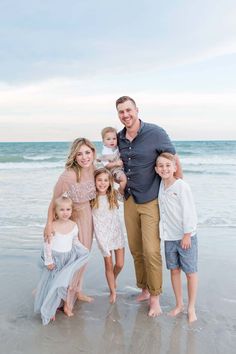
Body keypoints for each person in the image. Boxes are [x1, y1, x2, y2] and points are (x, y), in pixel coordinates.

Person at [116, 95, 183, 317]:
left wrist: (177, 189)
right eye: (121, 112)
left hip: (151, 200)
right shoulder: (119, 138)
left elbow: (174, 159)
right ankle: (144, 289)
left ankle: (155, 298)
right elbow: (118, 164)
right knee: (136, 249)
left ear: (137, 110)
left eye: (128, 110)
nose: (125, 115)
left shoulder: (155, 133)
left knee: (152, 251)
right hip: (129, 200)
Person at [44, 137, 96, 310]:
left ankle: (77, 290)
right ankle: (67, 299)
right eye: (79, 154)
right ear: (74, 156)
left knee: (84, 258)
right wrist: (49, 224)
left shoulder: (92, 169)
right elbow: (54, 200)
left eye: (87, 152)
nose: (84, 157)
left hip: (89, 217)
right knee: (74, 259)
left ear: (93, 153)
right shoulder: (69, 175)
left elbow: (109, 174)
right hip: (74, 221)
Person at [155, 152, 198, 323]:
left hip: (185, 236)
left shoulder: (181, 186)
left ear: (174, 167)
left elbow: (189, 211)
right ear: (156, 169)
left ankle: (191, 307)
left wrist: (187, 234)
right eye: (161, 166)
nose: (164, 168)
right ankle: (179, 304)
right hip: (169, 237)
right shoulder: (160, 185)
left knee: (190, 272)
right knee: (174, 270)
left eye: (168, 165)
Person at [34, 195, 90, 325]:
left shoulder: (74, 225)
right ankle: (49, 309)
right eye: (62, 210)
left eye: (68, 209)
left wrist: (84, 249)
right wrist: (48, 260)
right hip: (55, 260)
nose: (65, 213)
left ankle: (62, 304)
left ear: (72, 210)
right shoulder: (52, 226)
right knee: (52, 285)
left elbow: (75, 241)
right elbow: (47, 244)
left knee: (63, 284)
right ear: (55, 212)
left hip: (67, 260)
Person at [91, 168, 125, 304]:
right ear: (94, 181)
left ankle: (113, 279)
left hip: (116, 231)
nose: (102, 183)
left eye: (106, 180)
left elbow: (124, 188)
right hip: (102, 234)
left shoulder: (114, 195)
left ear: (110, 182)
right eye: (99, 180)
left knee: (120, 264)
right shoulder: (92, 198)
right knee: (109, 264)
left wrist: (119, 179)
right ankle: (113, 291)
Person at [97, 127, 127, 194]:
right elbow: (107, 165)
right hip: (114, 170)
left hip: (121, 168)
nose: (112, 141)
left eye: (114, 138)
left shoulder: (116, 147)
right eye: (108, 139)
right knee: (124, 180)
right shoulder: (105, 152)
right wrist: (116, 163)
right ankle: (121, 191)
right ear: (103, 141)